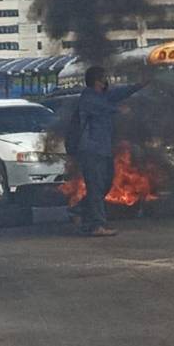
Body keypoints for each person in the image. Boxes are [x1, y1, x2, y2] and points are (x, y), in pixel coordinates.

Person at [76, 66, 118, 237]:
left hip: (104, 150)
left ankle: (79, 209)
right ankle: (97, 225)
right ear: (97, 81)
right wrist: (118, 110)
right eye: (104, 78)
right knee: (95, 187)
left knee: (105, 184)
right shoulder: (89, 98)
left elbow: (118, 94)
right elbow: (105, 107)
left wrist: (139, 85)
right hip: (91, 150)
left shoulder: (102, 97)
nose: (106, 81)